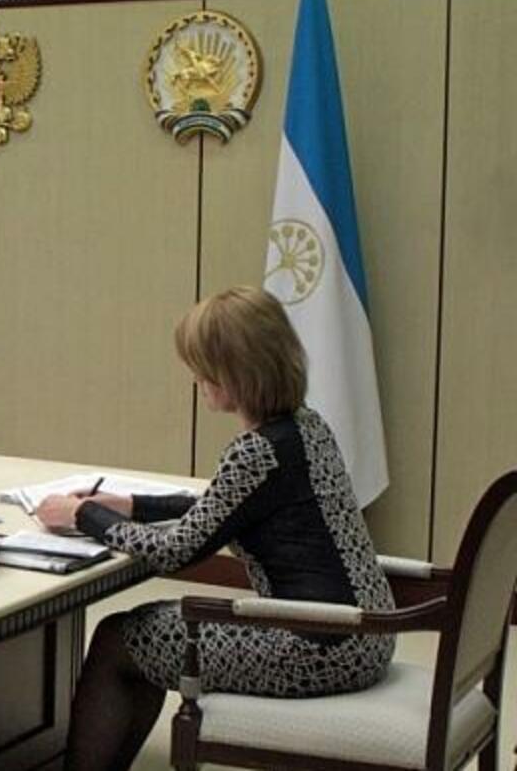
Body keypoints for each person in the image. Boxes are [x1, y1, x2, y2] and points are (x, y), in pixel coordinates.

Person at [36, 286, 395, 771]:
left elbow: (175, 553)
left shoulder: (257, 451)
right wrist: (129, 505)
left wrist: (82, 516)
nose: (196, 379)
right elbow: (228, 507)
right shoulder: (306, 426)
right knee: (139, 632)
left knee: (119, 639)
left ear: (232, 373)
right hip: (367, 632)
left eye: (201, 367)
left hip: (319, 645)